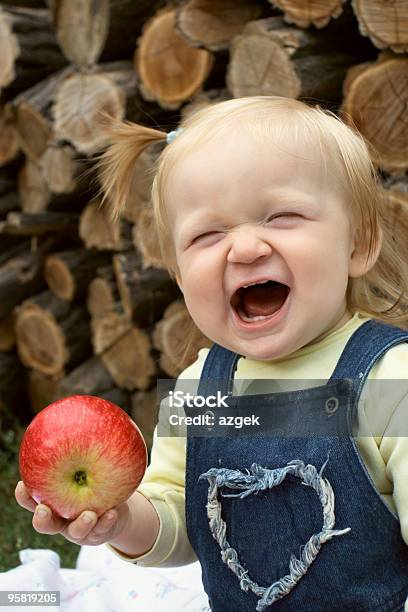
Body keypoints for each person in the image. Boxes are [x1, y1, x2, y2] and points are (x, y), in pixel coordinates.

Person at [16, 96, 408, 611]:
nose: (244, 249)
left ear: (358, 243)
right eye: (208, 234)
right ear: (179, 275)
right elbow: (181, 517)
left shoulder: (388, 378)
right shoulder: (201, 387)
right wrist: (121, 519)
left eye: (282, 216)